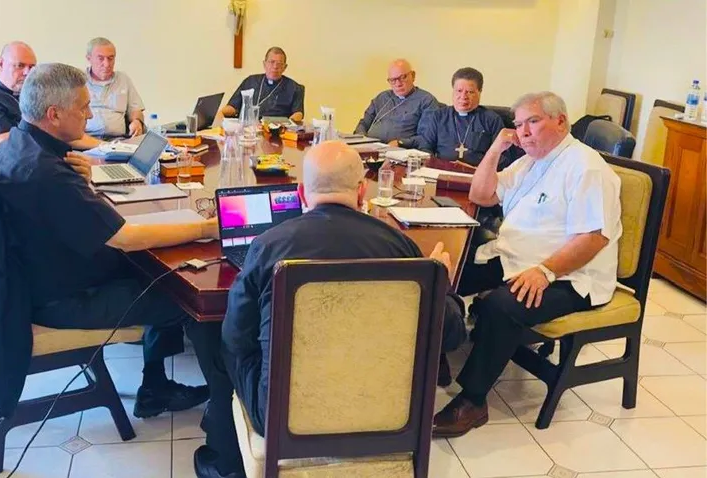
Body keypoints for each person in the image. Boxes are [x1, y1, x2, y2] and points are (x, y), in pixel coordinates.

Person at [192, 141, 468, 478]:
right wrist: (442, 284)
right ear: (362, 190)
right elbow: (452, 336)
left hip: (283, 417)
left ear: (301, 193)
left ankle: (224, 461)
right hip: (388, 411)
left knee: (222, 346)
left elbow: (236, 337)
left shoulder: (268, 246)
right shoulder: (401, 247)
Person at [0, 63, 224, 421]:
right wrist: (206, 229)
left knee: (159, 273)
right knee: (188, 299)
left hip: (39, 279)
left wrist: (82, 180)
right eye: (83, 107)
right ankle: (222, 408)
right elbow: (125, 238)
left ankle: (156, 387)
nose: (89, 114)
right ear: (53, 114)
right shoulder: (47, 172)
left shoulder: (20, 146)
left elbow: (63, 211)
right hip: (61, 299)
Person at [432, 91, 622, 438]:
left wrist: (545, 271)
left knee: (501, 306)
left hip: (570, 275)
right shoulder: (531, 160)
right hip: (516, 258)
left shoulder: (586, 168)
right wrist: (495, 149)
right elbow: (480, 195)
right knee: (447, 272)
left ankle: (473, 401)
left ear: (560, 121)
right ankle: (441, 346)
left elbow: (594, 238)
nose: (523, 132)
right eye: (518, 125)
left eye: (532, 122)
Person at [0, 41, 100, 150]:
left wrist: (105, 147)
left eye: (32, 67)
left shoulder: (33, 94)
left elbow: (62, 130)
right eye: (20, 66)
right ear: (1, 64)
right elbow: (8, 148)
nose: (27, 72)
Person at [403, 67, 505, 166]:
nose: (463, 97)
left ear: (480, 92)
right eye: (459, 91)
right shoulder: (439, 116)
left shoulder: (492, 120)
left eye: (470, 92)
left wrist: (479, 169)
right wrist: (433, 164)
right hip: (441, 171)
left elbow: (504, 157)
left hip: (476, 173)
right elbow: (425, 147)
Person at [354, 59, 439, 145]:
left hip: (401, 150)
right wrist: (361, 138)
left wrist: (401, 143)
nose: (398, 84)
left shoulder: (426, 101)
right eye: (393, 80)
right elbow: (364, 123)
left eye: (403, 77)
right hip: (370, 147)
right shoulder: (382, 97)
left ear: (413, 76)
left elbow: (426, 137)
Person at [221, 47, 305, 123]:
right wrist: (220, 112)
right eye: (271, 62)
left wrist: (287, 124)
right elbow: (233, 107)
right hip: (248, 128)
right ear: (264, 64)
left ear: (285, 67)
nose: (275, 67)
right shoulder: (250, 81)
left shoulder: (295, 88)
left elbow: (298, 114)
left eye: (279, 63)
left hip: (277, 130)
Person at [84, 37, 146, 138]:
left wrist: (137, 121)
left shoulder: (123, 79)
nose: (106, 64)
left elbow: (136, 109)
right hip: (87, 138)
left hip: (118, 140)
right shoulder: (79, 81)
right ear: (89, 58)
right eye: (101, 58)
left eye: (110, 58)